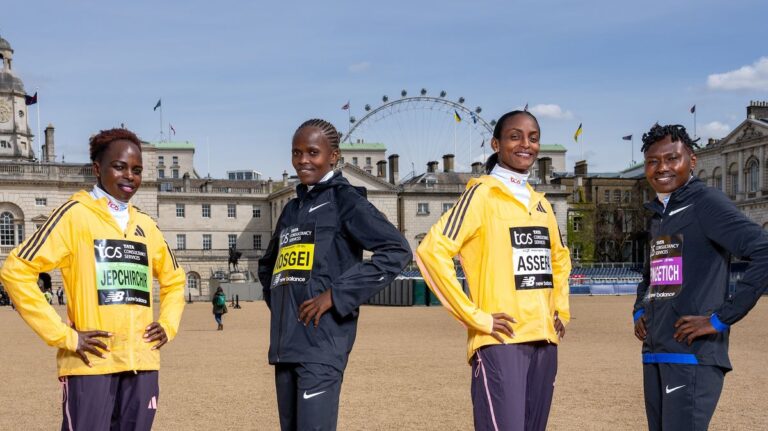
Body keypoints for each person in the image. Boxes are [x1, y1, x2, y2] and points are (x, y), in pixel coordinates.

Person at [0, 128, 186, 431]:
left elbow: (175, 279)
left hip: (142, 362)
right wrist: (65, 336)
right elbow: (15, 269)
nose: (130, 176)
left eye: (137, 170)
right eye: (120, 166)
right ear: (98, 169)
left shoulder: (146, 225)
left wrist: (168, 324)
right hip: (91, 362)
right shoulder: (75, 215)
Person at [416, 110, 571, 431]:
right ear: (496, 144)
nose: (525, 144)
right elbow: (431, 251)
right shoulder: (481, 194)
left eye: (533, 137)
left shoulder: (540, 203)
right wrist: (476, 317)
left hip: (544, 340)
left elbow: (560, 259)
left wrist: (560, 310)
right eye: (515, 136)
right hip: (501, 340)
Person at [257, 119, 412, 431]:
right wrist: (284, 307)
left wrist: (336, 295)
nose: (303, 160)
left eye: (312, 152)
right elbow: (269, 267)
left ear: (333, 156)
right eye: (296, 152)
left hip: (322, 345)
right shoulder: (291, 209)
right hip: (286, 345)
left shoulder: (347, 200)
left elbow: (397, 251)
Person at [634, 124, 768, 429]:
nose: (662, 168)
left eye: (672, 159)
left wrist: (721, 318)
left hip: (692, 357)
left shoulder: (706, 203)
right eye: (653, 161)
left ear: (691, 161)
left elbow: (764, 251)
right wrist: (640, 310)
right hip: (657, 354)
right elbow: (650, 275)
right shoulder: (661, 213)